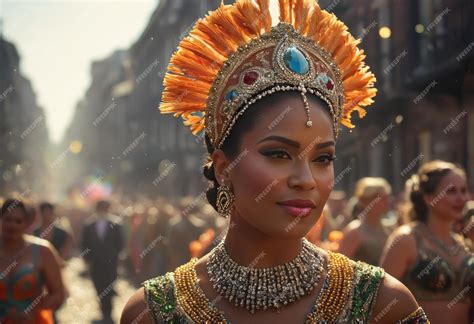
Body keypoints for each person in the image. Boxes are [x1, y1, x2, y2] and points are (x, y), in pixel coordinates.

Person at [121, 0, 429, 322]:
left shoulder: (382, 303)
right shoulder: (153, 312)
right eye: (278, 154)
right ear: (224, 168)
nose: (306, 179)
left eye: (323, 158)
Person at [380, 160, 473, 324]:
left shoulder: (464, 244)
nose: (461, 198)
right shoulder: (407, 239)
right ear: (429, 198)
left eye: (464, 190)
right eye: (451, 191)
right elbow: (379, 300)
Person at [0, 199, 65, 324]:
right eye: (7, 219)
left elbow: (58, 294)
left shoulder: (43, 251)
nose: (12, 225)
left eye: (18, 221)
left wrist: (35, 309)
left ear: (28, 223)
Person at [82, 200, 123, 324]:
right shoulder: (89, 225)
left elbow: (120, 243)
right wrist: (87, 259)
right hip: (95, 263)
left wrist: (116, 257)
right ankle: (103, 308)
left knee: (110, 285)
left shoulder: (116, 224)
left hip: (110, 263)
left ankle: (108, 313)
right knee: (98, 286)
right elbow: (84, 243)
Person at [338, 177, 394, 265]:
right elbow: (341, 266)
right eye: (382, 198)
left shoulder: (391, 228)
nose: (388, 201)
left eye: (387, 197)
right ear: (366, 201)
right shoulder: (354, 231)